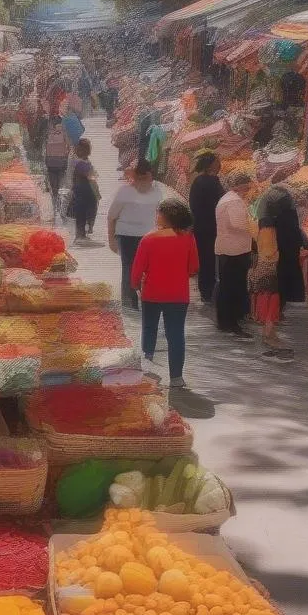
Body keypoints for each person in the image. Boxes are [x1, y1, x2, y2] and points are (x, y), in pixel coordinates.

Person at [130, 199, 210, 415]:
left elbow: (137, 269)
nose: (156, 216)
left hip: (152, 293)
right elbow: (193, 267)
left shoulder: (148, 239)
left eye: (158, 213)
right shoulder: (188, 239)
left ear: (166, 216)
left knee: (149, 329)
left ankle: (147, 369)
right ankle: (176, 377)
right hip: (177, 294)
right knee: (176, 335)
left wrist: (135, 284)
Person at [255, 185, 308, 354]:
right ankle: (269, 334)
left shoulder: (267, 223)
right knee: (275, 299)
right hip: (280, 267)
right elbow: (292, 235)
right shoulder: (283, 219)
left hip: (278, 266)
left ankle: (269, 332)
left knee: (275, 299)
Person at [108, 160, 166, 310]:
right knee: (129, 268)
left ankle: (148, 300)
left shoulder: (157, 192)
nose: (144, 181)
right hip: (126, 236)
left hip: (149, 237)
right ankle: (129, 303)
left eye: (147, 178)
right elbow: (111, 216)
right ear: (136, 176)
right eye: (141, 177)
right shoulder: (124, 191)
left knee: (148, 270)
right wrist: (111, 240)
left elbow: (160, 217)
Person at [215, 172, 255, 339]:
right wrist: (255, 225)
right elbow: (238, 224)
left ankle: (228, 320)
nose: (248, 189)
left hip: (229, 248)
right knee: (232, 286)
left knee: (228, 285)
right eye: (247, 186)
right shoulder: (234, 201)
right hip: (234, 250)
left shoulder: (228, 199)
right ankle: (230, 322)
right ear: (240, 186)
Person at [188, 152, 225, 306]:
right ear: (211, 165)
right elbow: (221, 202)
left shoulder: (197, 181)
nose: (220, 165)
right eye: (217, 162)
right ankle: (209, 291)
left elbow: (192, 205)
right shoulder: (213, 182)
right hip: (212, 226)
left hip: (199, 225)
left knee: (204, 258)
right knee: (210, 259)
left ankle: (205, 291)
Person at [70, 138, 101, 246]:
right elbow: (91, 175)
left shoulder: (81, 160)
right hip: (84, 190)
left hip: (83, 190)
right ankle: (80, 236)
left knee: (83, 212)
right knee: (83, 212)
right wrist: (93, 174)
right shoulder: (80, 163)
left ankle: (82, 234)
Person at [44, 116, 70, 221]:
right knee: (60, 186)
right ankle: (59, 207)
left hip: (50, 162)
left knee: (53, 187)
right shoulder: (64, 133)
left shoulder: (48, 134)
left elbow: (44, 148)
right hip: (61, 163)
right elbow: (69, 147)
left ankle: (54, 207)